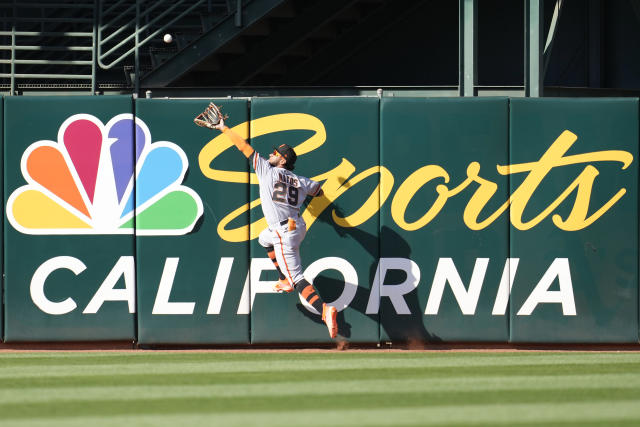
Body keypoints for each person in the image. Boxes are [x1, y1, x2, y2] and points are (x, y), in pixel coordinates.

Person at [212, 115, 338, 339]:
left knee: (297, 278)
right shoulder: (299, 179)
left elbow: (243, 147)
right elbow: (318, 190)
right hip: (295, 225)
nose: (271, 154)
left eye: (275, 154)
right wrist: (306, 192)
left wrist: (223, 128)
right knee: (263, 238)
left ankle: (324, 310)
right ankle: (283, 278)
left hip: (284, 232)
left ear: (282, 161)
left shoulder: (266, 170)